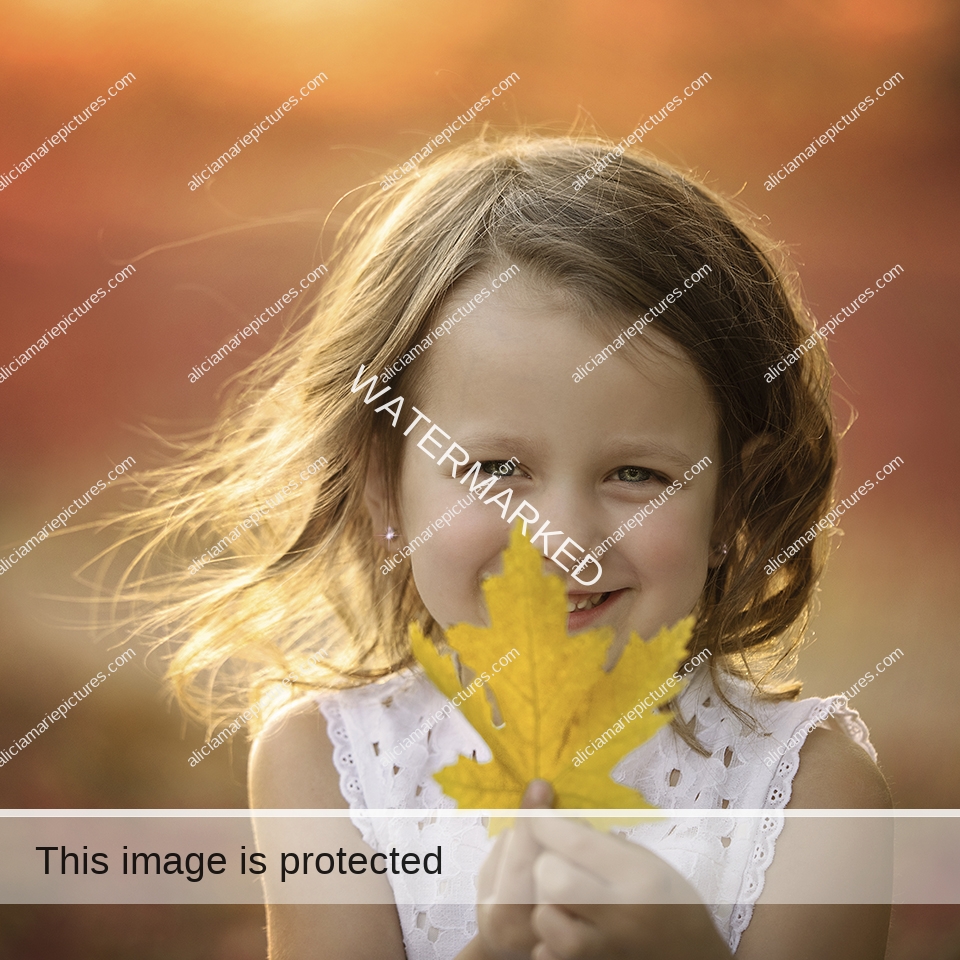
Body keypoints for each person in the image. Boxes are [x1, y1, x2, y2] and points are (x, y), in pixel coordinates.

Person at [136, 134, 892, 958]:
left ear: (730, 504)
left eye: (637, 473)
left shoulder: (812, 792)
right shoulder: (326, 769)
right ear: (385, 483)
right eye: (496, 469)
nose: (561, 539)